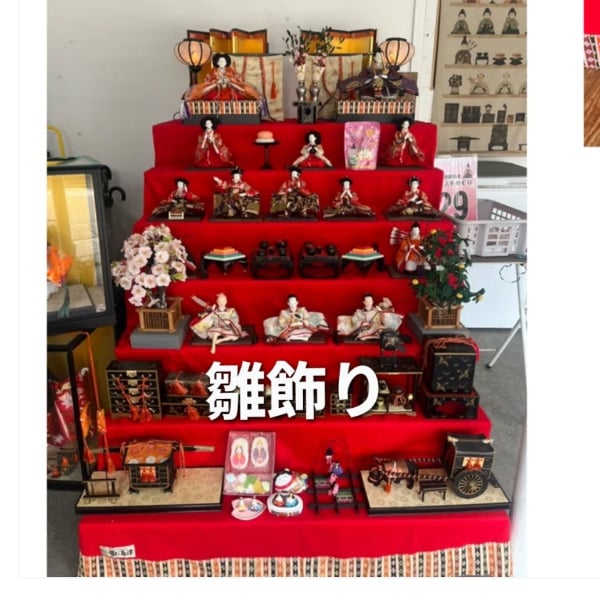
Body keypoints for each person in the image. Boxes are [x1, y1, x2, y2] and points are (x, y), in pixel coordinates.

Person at [184, 53, 263, 103]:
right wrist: (216, 82)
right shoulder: (213, 72)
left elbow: (238, 80)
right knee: (204, 93)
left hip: (230, 88)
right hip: (216, 89)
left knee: (244, 91)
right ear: (217, 62)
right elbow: (208, 81)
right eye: (220, 61)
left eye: (224, 61)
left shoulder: (231, 71)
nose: (222, 63)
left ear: (226, 62)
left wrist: (230, 81)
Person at [263, 294, 329, 342]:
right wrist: (290, 325)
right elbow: (282, 324)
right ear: (288, 303)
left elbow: (307, 319)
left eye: (294, 302)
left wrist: (304, 322)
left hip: (303, 328)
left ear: (297, 302)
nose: (292, 304)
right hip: (290, 330)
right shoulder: (283, 312)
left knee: (316, 318)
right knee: (276, 330)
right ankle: (273, 337)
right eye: (291, 303)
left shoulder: (302, 310)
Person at [337, 293, 403, 342]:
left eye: (370, 301)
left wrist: (381, 311)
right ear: (364, 302)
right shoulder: (359, 312)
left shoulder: (377, 310)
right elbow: (354, 321)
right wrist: (362, 323)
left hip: (376, 328)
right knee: (362, 333)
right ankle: (368, 336)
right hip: (364, 329)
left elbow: (387, 311)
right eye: (367, 301)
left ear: (373, 301)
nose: (369, 303)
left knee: (381, 329)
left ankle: (371, 336)